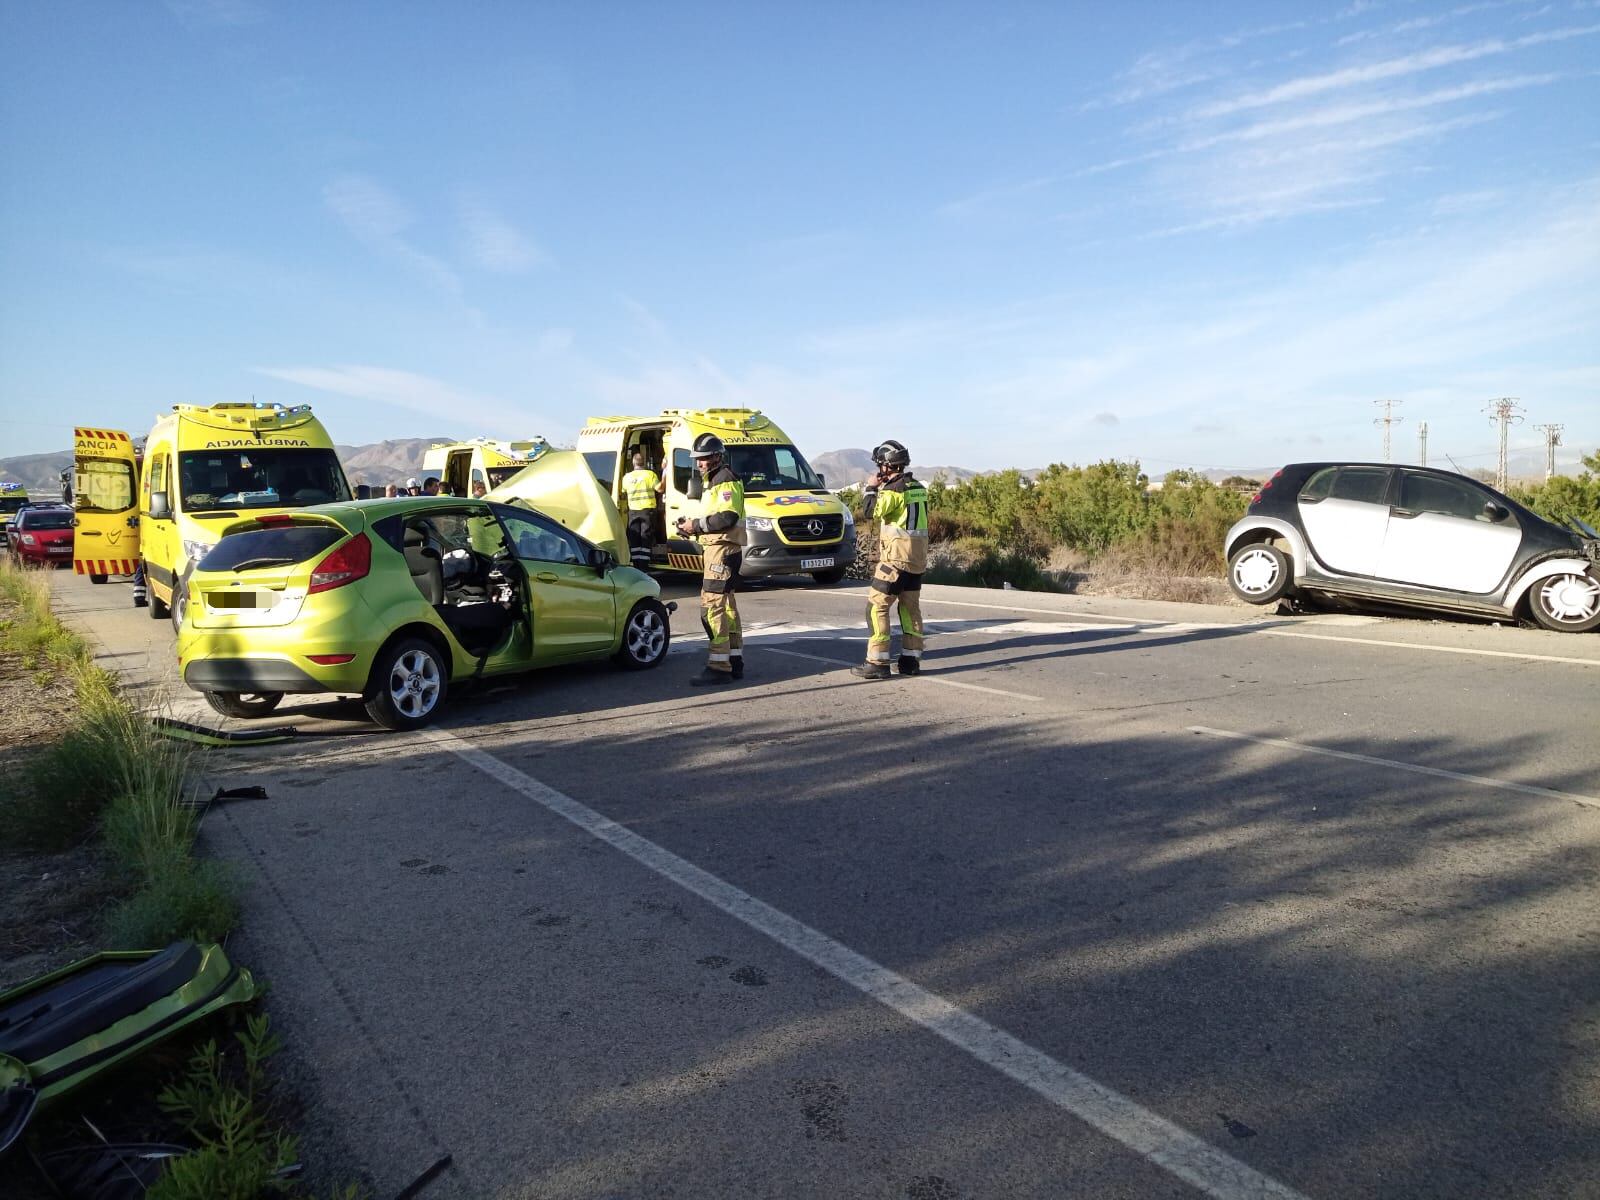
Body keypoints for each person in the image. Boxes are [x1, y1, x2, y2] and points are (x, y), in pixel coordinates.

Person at [854, 439, 928, 680]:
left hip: (895, 559)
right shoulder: (918, 487)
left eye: (880, 466)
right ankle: (910, 660)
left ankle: (877, 662)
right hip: (916, 559)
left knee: (877, 606)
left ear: (887, 466)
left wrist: (871, 488)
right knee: (910, 609)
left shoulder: (893, 490)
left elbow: (870, 512)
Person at [675, 433, 745, 685]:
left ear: (717, 456)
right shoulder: (713, 481)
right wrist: (693, 528)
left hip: (723, 552)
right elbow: (715, 521)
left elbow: (727, 518)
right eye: (697, 459)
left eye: (703, 458)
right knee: (726, 607)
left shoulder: (724, 480)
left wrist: (697, 525)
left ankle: (719, 666)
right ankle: (734, 660)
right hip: (719, 550)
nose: (699, 463)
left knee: (712, 607)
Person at [619, 449, 664, 568]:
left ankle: (636, 565)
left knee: (634, 538)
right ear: (643, 463)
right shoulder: (650, 475)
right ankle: (643, 566)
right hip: (647, 511)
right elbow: (660, 489)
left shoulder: (626, 477)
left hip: (633, 511)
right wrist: (665, 474)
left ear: (633, 463)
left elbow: (623, 492)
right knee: (645, 537)